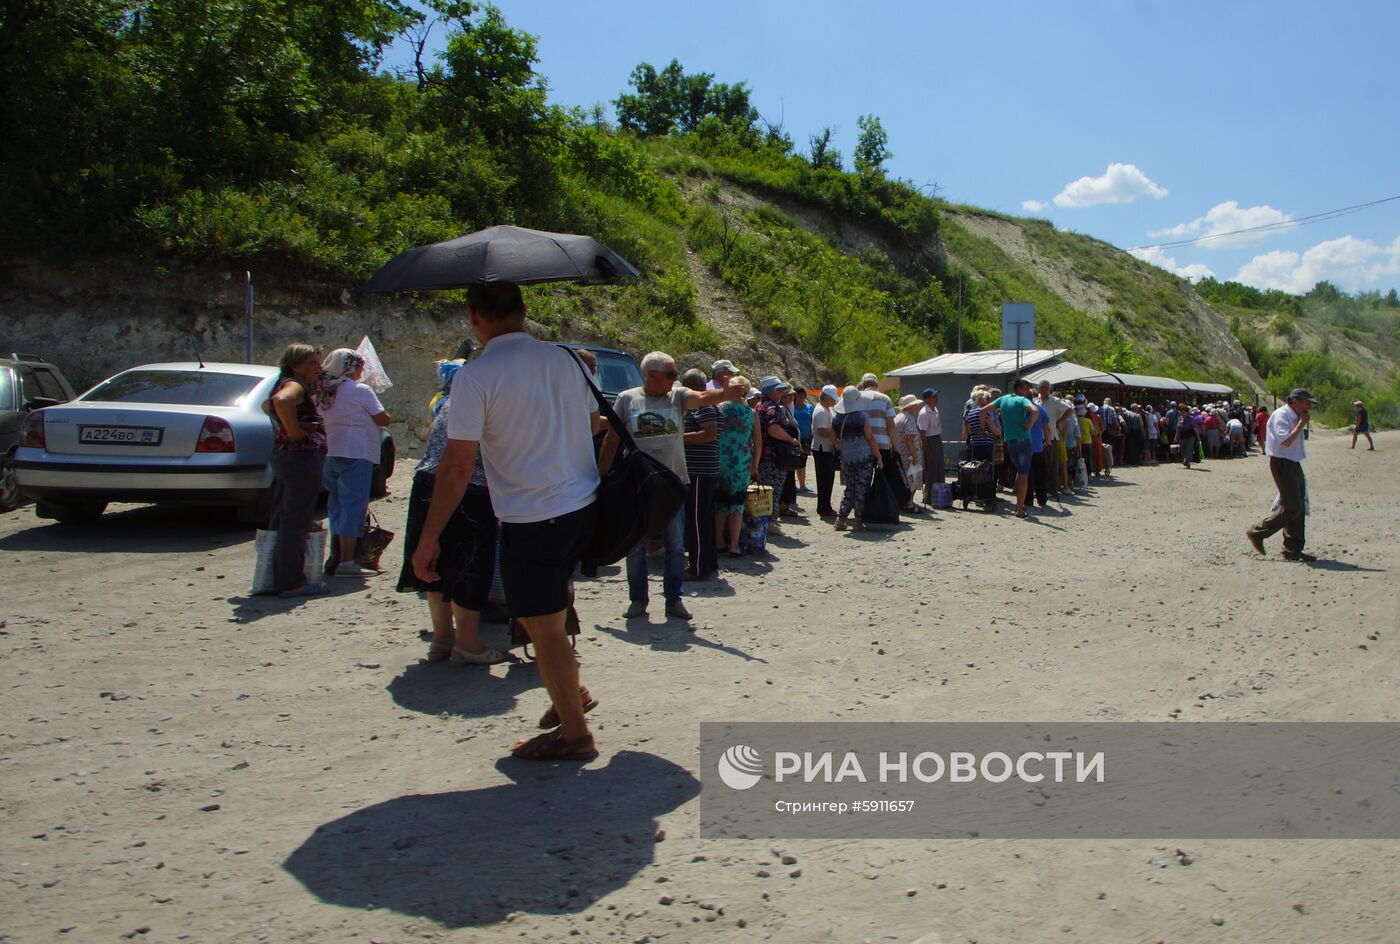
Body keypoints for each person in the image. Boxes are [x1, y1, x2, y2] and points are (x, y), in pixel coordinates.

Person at [412, 283, 600, 761]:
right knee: (550, 614)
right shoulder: (567, 360)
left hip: (533, 514)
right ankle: (569, 692)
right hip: (579, 503)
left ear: (473, 316)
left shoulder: (477, 376)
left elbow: (456, 466)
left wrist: (429, 535)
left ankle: (575, 735)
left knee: (543, 625)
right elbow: (590, 421)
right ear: (523, 311)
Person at [600, 351, 741, 620]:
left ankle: (673, 599)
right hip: (638, 486)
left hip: (674, 485)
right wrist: (602, 477)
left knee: (676, 545)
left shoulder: (677, 396)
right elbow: (611, 440)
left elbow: (702, 398)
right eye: (671, 374)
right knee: (636, 546)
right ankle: (638, 601)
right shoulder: (628, 399)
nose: (676, 379)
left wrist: (723, 394)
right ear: (652, 375)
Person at [397, 359, 509, 666]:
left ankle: (442, 637)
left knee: (437, 560)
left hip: (427, 482)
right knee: (472, 565)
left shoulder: (449, 402)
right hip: (468, 488)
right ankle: (468, 642)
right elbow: (468, 461)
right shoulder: (490, 404)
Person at [264, 343, 329, 598]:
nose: (318, 368)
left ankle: (275, 577)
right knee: (295, 521)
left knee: (283, 517)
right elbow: (282, 401)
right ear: (296, 364)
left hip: (286, 457)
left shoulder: (284, 381)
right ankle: (292, 582)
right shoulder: (293, 385)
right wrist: (294, 432)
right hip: (299, 458)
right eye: (312, 363)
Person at [319, 348, 391, 577]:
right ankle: (347, 562)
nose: (362, 371)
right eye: (360, 366)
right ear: (352, 367)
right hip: (356, 452)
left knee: (337, 505)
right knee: (354, 507)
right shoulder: (360, 391)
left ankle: (336, 556)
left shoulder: (323, 391)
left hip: (330, 452)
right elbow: (383, 418)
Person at [1246, 389, 1318, 562]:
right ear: (1295, 401)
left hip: (1292, 462)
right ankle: (1257, 532)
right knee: (1292, 505)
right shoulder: (1282, 415)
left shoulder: (1293, 416)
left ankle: (1292, 549)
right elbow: (1283, 440)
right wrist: (1301, 424)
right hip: (1282, 462)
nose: (1309, 406)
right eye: (1306, 402)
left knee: (1298, 506)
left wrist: (1300, 422)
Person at [680, 368, 720, 581]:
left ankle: (698, 567)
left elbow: (709, 434)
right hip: (703, 469)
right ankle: (708, 563)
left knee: (697, 520)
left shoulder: (702, 406)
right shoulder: (705, 406)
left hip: (700, 471)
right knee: (703, 518)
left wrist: (678, 437)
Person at [980, 378, 1040, 518]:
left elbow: (983, 411)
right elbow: (1035, 411)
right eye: (1025, 388)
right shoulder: (1022, 400)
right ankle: (1019, 509)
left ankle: (1019, 506)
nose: (1027, 391)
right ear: (1019, 389)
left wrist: (983, 429)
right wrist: (1030, 425)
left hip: (1010, 441)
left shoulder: (1003, 399)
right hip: (1024, 440)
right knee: (1023, 474)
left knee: (1020, 471)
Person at [715, 375, 760, 555]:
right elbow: (758, 442)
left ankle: (718, 541)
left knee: (719, 502)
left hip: (720, 459)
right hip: (741, 462)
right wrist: (754, 465)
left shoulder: (719, 408)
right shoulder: (751, 413)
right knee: (737, 505)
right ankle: (734, 544)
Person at [832, 386, 884, 531]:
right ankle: (858, 520)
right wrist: (879, 458)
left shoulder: (837, 418)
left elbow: (832, 436)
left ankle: (840, 519)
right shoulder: (862, 417)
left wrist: (841, 448)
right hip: (863, 458)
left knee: (850, 488)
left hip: (847, 459)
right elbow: (871, 438)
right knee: (862, 488)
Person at [753, 376, 802, 521]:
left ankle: (763, 522)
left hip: (762, 456)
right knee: (773, 491)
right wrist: (791, 439)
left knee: (763, 491)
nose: (781, 393)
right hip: (773, 457)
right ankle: (770, 522)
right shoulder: (772, 407)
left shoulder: (759, 406)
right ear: (772, 391)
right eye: (779, 390)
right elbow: (773, 428)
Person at [860, 373, 906, 509]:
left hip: (863, 445)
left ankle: (863, 507)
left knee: (864, 478)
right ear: (877, 385)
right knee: (883, 477)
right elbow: (891, 424)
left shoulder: (858, 398)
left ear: (863, 385)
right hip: (882, 444)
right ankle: (881, 506)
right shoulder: (885, 399)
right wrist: (895, 445)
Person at [810, 384, 840, 517]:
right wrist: (835, 437)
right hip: (822, 449)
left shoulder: (826, 409)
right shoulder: (821, 411)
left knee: (828, 478)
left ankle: (825, 505)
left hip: (825, 448)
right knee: (824, 479)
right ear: (826, 397)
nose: (834, 401)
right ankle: (824, 507)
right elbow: (822, 431)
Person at [894, 395, 924, 510]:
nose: (916, 406)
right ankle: (909, 502)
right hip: (909, 455)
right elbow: (909, 438)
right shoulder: (908, 419)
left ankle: (903, 502)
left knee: (903, 479)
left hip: (900, 454)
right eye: (915, 405)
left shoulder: (898, 417)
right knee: (913, 479)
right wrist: (915, 456)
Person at [917, 388, 945, 504]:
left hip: (937, 440)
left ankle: (938, 494)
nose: (936, 398)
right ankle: (928, 497)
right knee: (931, 471)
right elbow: (922, 435)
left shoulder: (935, 410)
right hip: (930, 441)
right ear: (927, 399)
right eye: (934, 397)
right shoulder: (924, 413)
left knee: (939, 469)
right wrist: (928, 451)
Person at [790, 388, 814, 493]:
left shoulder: (809, 407)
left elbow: (813, 422)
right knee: (793, 462)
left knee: (802, 462)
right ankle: (792, 485)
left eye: (803, 395)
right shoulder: (791, 408)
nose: (801, 397)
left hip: (806, 438)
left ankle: (802, 485)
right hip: (794, 438)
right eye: (799, 395)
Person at [963, 390, 995, 462]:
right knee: (987, 468)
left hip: (974, 444)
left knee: (976, 469)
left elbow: (969, 430)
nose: (990, 401)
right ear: (982, 399)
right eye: (988, 399)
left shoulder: (970, 412)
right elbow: (994, 430)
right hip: (986, 445)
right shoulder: (984, 412)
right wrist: (999, 432)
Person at [1175, 404, 1199, 468]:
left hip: (1190, 435)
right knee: (1182, 450)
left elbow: (1195, 428)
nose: (1182, 413)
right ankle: (1186, 460)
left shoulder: (1191, 418)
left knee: (1188, 449)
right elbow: (1178, 429)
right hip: (1182, 436)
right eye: (1181, 412)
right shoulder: (1179, 419)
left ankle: (1187, 461)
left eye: (1183, 412)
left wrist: (1198, 437)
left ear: (1187, 412)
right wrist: (1176, 437)